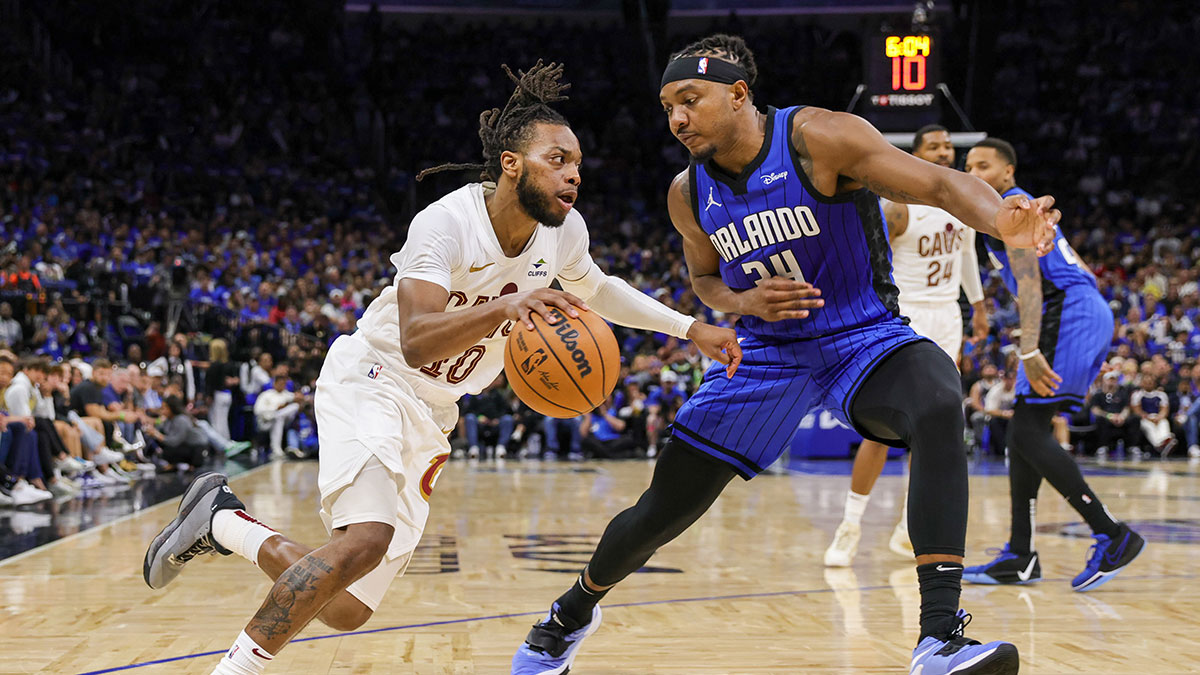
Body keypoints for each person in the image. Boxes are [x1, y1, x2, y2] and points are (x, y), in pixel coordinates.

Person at [141, 61, 739, 675]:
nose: (574, 174)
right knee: (365, 541)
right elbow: (417, 340)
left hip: (434, 413)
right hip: (374, 378)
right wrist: (508, 304)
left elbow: (600, 289)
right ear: (511, 163)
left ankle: (222, 521)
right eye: (558, 159)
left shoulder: (563, 234)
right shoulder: (445, 223)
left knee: (345, 605)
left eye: (577, 163)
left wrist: (691, 328)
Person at [513, 35, 1058, 675]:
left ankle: (939, 636)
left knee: (939, 396)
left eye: (690, 99)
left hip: (862, 336)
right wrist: (746, 304)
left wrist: (1002, 221)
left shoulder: (819, 138)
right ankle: (568, 617)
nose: (677, 120)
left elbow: (938, 182)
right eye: (667, 107)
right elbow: (705, 281)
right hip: (768, 355)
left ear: (739, 93)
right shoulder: (687, 193)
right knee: (664, 508)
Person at [962, 137, 1144, 591]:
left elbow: (1030, 286)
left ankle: (1112, 533)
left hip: (1068, 311)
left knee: (1026, 430)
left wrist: (1028, 348)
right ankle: (1020, 555)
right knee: (1023, 434)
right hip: (1072, 309)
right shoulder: (998, 210)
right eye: (968, 166)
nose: (972, 173)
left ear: (1008, 172)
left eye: (983, 165)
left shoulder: (1012, 205)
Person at [824, 124, 989, 567]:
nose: (943, 152)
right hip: (907, 314)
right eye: (933, 147)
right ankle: (850, 525)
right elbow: (864, 257)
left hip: (948, 316)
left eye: (947, 146)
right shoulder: (898, 206)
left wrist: (978, 304)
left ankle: (906, 528)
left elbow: (968, 254)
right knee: (882, 429)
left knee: (935, 428)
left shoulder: (962, 196)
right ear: (914, 155)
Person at [1090, 371, 1138, 456]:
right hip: (1106, 418)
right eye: (1109, 380)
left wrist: (1122, 417)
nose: (1111, 382)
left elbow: (1126, 408)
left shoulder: (1122, 394)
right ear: (1104, 381)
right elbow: (1095, 409)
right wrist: (1109, 416)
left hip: (1120, 418)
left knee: (1134, 419)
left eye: (1114, 380)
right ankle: (1103, 446)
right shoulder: (1098, 395)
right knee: (1100, 420)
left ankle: (1132, 446)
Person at [1131, 374, 1175, 457]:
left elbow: (1164, 409)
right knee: (1149, 426)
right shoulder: (1137, 395)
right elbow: (1137, 410)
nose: (1148, 384)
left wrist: (1159, 417)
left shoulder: (1161, 395)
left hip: (1158, 417)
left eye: (1150, 382)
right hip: (1144, 418)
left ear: (1154, 383)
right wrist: (1147, 417)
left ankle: (1166, 440)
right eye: (1146, 382)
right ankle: (1159, 445)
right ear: (1142, 383)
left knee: (1164, 423)